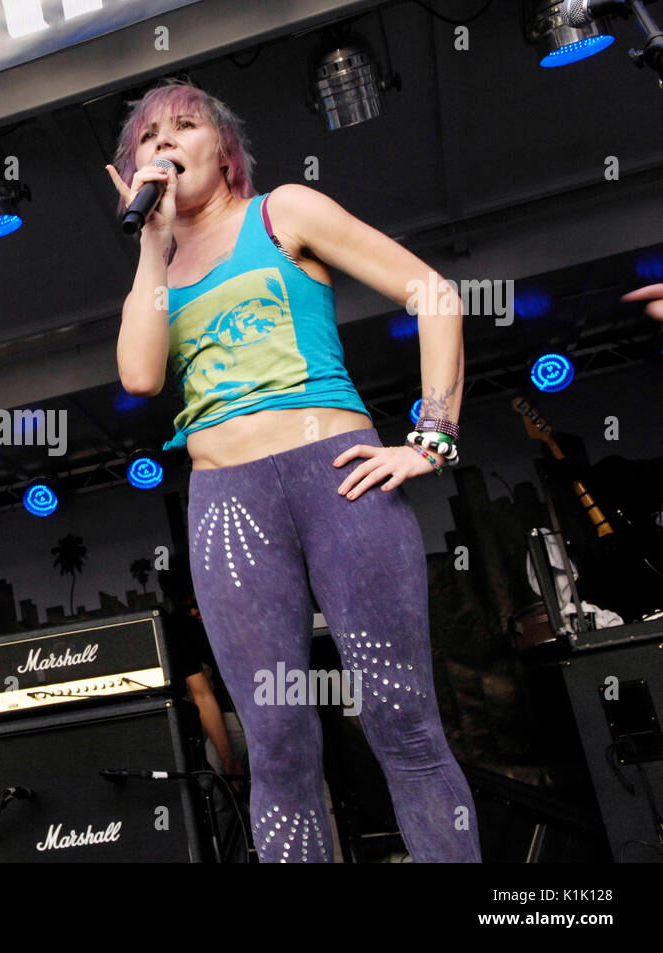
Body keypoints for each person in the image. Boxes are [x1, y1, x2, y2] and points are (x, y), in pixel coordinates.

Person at [107, 79, 480, 862]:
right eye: (149, 137)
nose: (166, 143)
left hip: (336, 477)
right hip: (228, 503)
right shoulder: (160, 273)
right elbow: (140, 378)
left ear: (224, 149)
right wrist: (152, 245)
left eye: (186, 126)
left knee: (398, 712)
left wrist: (432, 437)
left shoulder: (283, 212)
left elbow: (433, 292)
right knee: (276, 741)